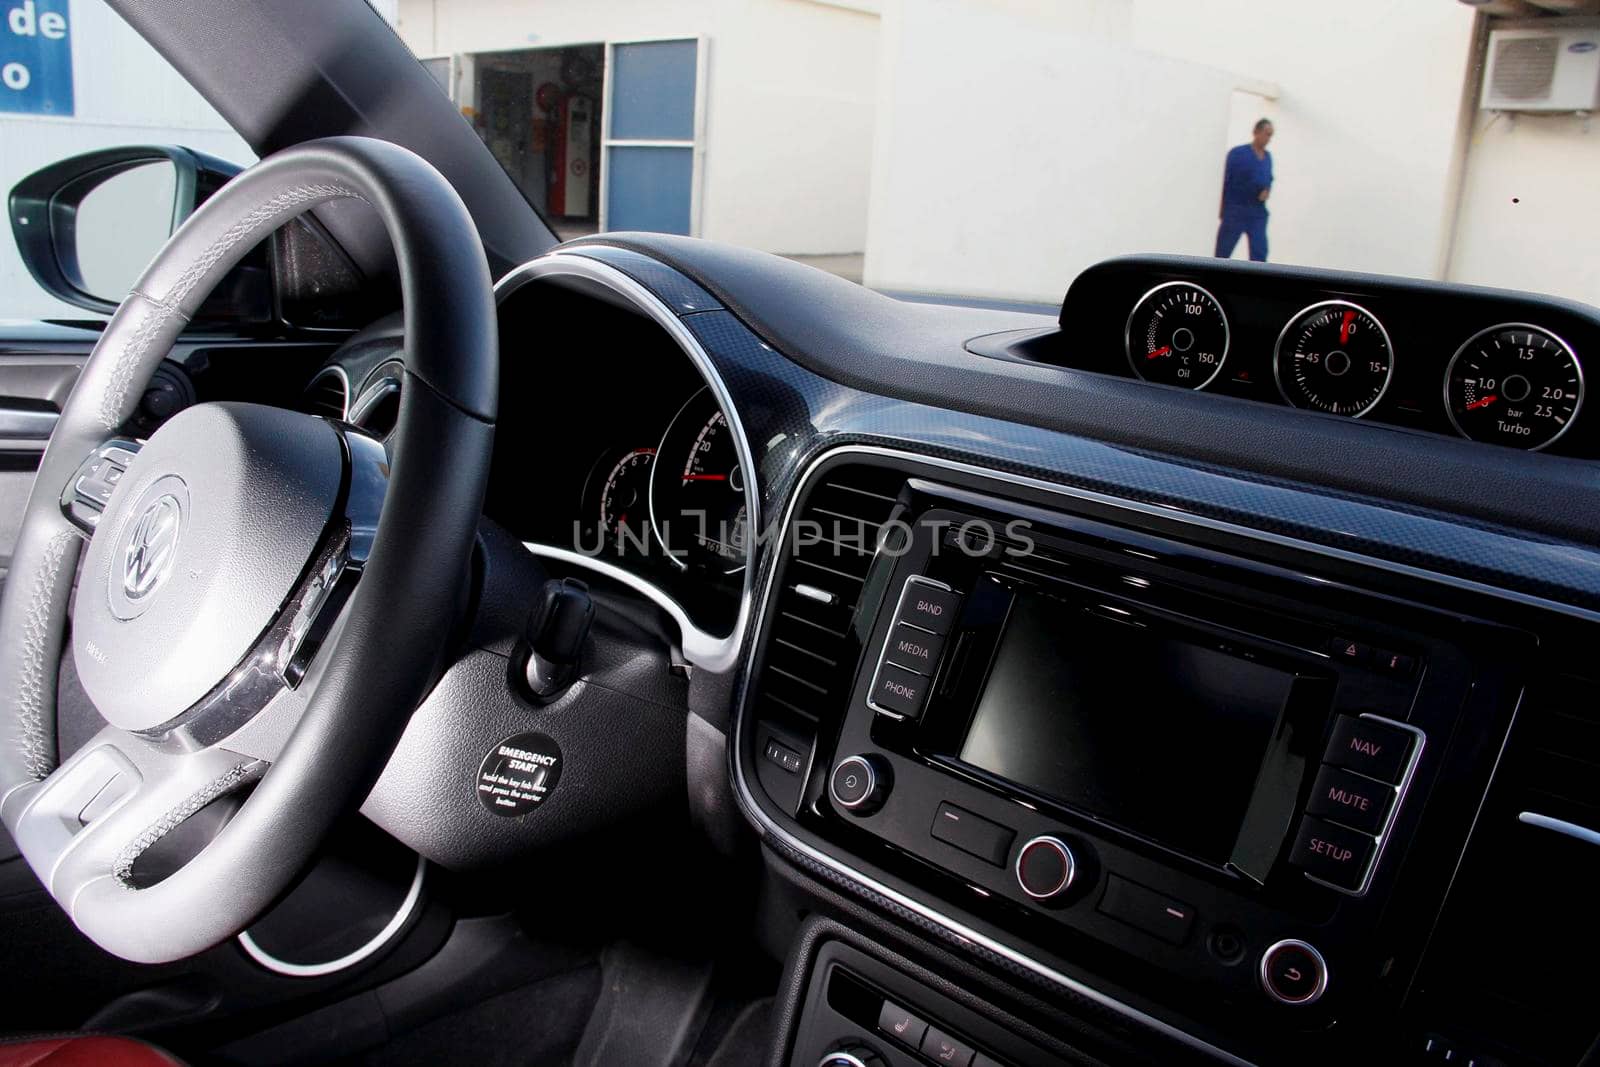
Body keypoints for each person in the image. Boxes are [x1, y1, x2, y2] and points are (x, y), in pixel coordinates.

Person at [1216, 118, 1274, 262]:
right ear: (1256, 132)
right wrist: (1222, 209)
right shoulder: (1238, 154)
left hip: (1257, 212)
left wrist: (1266, 191)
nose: (1268, 139)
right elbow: (1225, 181)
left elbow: (1268, 179)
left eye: (1270, 135)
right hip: (1236, 210)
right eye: (1266, 134)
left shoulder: (1267, 157)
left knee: (1259, 253)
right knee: (1223, 253)